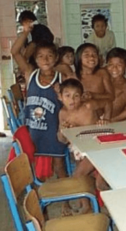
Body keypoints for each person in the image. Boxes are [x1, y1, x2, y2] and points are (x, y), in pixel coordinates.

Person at [11, 21, 67, 183]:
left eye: (50, 55)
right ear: (35, 59)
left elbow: (71, 99)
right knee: (32, 166)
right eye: (41, 56)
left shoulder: (61, 78)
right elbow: (15, 52)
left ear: (56, 58)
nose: (45, 59)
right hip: (34, 130)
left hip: (54, 130)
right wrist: (24, 33)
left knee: (59, 165)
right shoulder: (30, 73)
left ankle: (66, 202)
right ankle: (38, 196)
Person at [57, 78, 112, 214]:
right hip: (79, 147)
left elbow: (108, 103)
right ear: (60, 97)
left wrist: (107, 118)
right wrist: (63, 131)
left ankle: (92, 205)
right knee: (85, 177)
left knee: (79, 175)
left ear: (82, 97)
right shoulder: (63, 114)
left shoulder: (88, 106)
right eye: (67, 96)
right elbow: (62, 140)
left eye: (76, 96)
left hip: (98, 144)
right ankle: (87, 204)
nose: (72, 100)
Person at [74, 43, 114, 112]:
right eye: (87, 55)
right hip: (80, 116)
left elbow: (111, 96)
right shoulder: (72, 77)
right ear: (79, 57)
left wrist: (94, 95)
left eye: (94, 54)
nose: (92, 57)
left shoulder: (102, 73)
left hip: (100, 118)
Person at [106, 47, 126, 122]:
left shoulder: (125, 85)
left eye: (119, 65)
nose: (114, 68)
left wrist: (111, 120)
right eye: (110, 64)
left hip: (114, 122)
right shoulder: (104, 79)